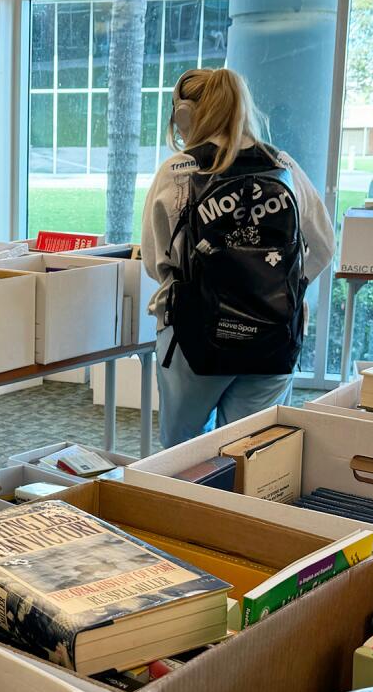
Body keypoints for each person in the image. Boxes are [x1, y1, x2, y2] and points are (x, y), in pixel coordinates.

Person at [140, 67, 334, 447]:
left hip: (195, 336)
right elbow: (324, 248)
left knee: (183, 453)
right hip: (273, 339)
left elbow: (153, 262)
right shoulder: (282, 165)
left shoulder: (178, 171)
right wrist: (283, 287)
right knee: (250, 451)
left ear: (184, 116)